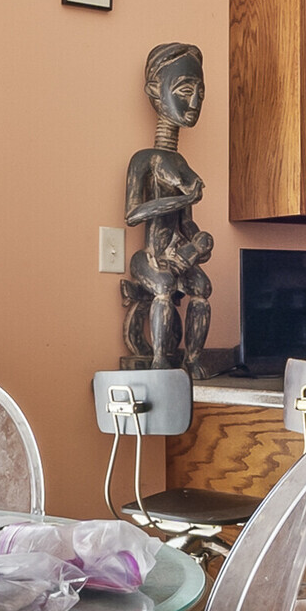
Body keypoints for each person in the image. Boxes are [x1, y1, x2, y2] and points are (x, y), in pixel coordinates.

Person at [120, 42, 214, 370]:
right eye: (185, 89)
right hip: (150, 257)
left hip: (176, 255)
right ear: (154, 91)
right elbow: (133, 214)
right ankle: (160, 361)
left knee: (202, 287)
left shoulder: (181, 161)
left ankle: (192, 359)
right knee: (163, 286)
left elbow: (185, 223)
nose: (195, 101)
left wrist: (200, 241)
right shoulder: (144, 160)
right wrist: (183, 198)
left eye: (200, 91)